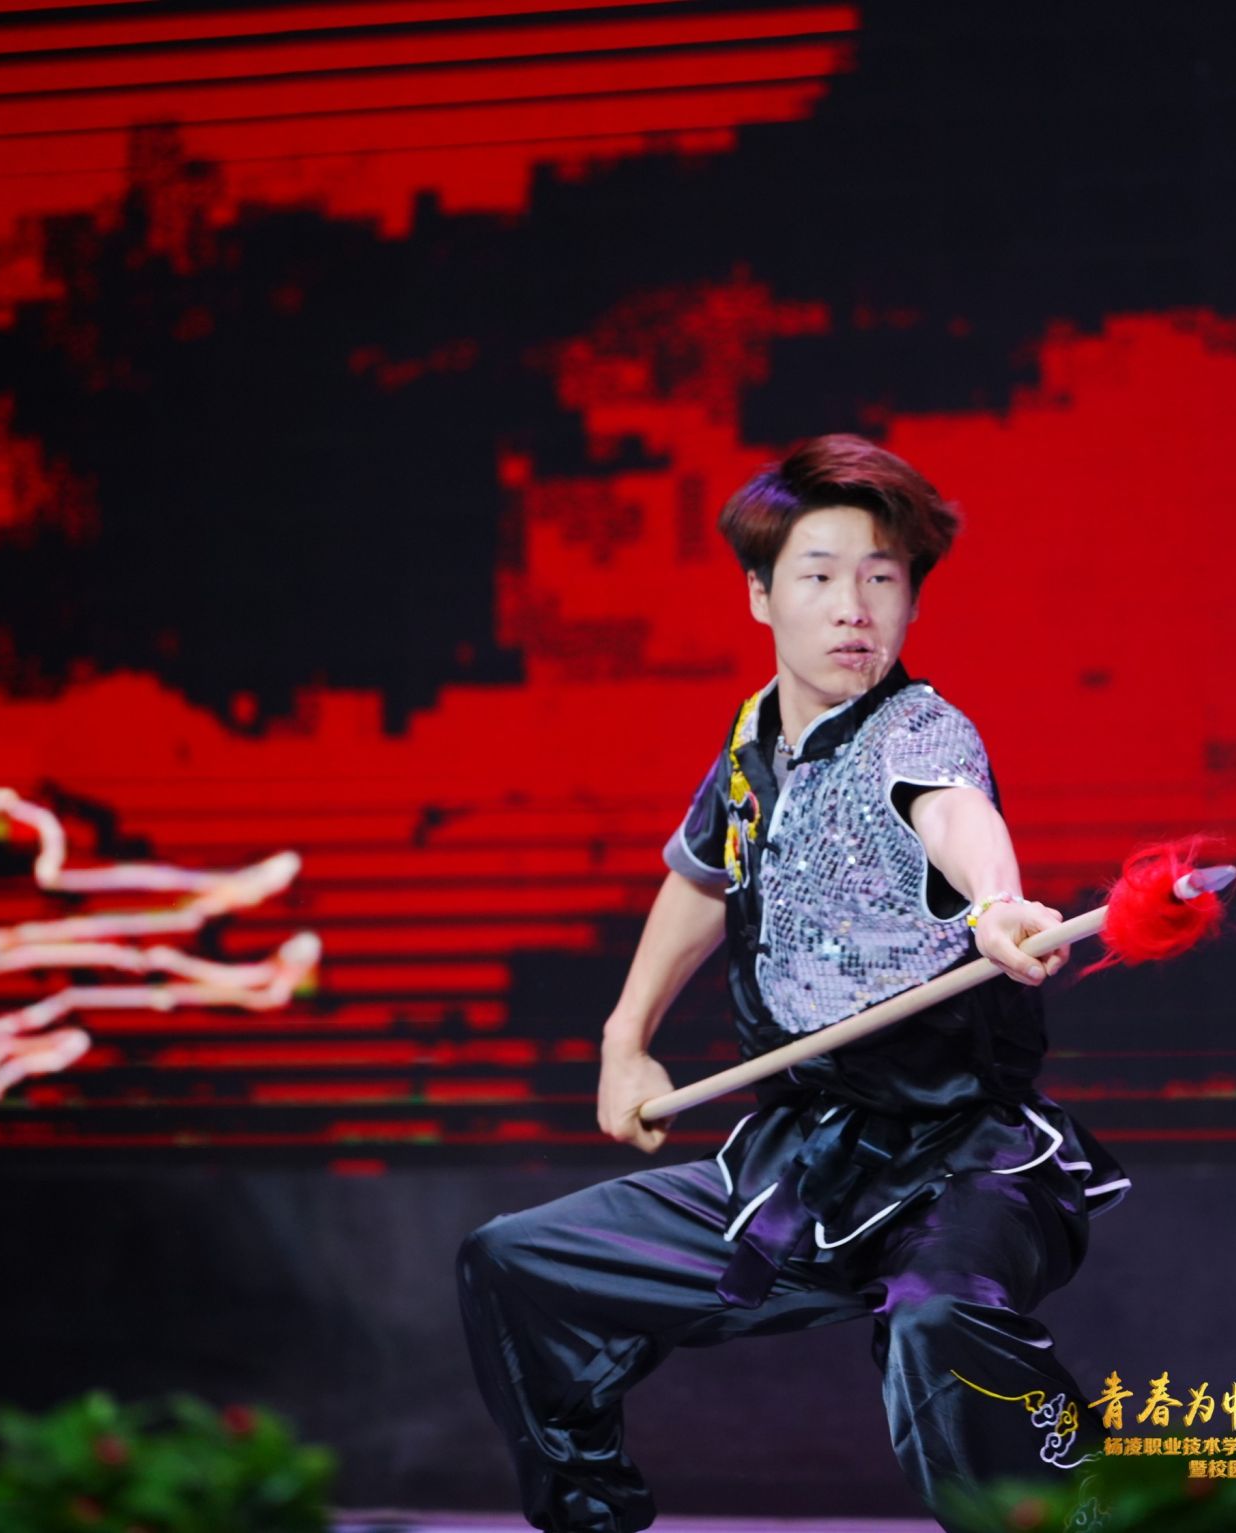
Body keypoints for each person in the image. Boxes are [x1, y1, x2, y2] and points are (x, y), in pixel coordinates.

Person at [456, 434, 1127, 1531]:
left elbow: (952, 811)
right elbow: (700, 876)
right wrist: (625, 1039)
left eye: (881, 579)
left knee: (938, 1319)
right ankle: (587, 1517)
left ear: (912, 598)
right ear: (760, 596)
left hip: (960, 1161)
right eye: (819, 577)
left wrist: (996, 902)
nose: (854, 609)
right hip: (802, 1165)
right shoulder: (753, 740)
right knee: (517, 1263)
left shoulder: (918, 730)